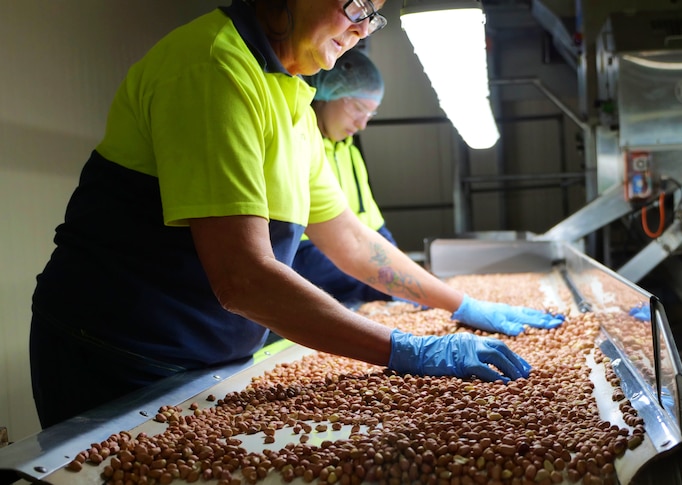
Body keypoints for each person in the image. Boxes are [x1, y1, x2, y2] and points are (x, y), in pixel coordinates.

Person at [28, 0, 564, 430]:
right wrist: (406, 350)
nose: (362, 29)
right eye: (357, 6)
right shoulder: (214, 67)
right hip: (119, 358)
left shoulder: (290, 93)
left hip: (204, 362)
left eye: (374, 15)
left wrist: (461, 303)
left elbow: (351, 242)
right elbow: (242, 279)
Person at [293, 49, 395, 306]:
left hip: (351, 295)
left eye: (371, 114)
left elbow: (376, 229)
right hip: (314, 286)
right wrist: (383, 282)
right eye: (358, 109)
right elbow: (298, 252)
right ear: (327, 92)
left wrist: (404, 276)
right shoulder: (297, 146)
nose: (362, 124)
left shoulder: (350, 152)